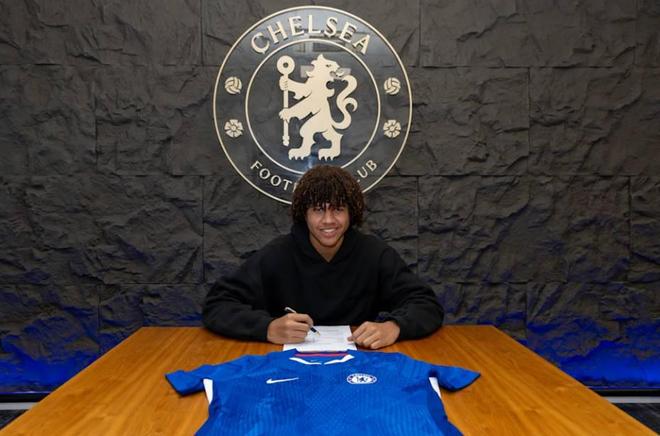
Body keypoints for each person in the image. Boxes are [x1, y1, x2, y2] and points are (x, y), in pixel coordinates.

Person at [202, 165, 444, 349]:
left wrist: (394, 327)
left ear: (352, 213)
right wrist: (267, 328)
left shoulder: (375, 254)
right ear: (303, 214)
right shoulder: (277, 255)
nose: (328, 220)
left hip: (361, 365)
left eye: (338, 209)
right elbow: (217, 304)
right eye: (318, 210)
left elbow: (427, 304)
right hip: (288, 366)